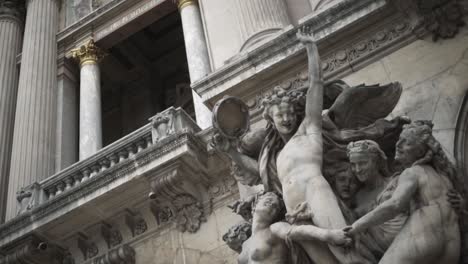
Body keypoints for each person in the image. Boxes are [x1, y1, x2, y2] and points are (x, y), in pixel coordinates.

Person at [272, 26, 373, 264]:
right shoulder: (277, 155)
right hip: (293, 207)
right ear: (271, 120)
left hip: (314, 191)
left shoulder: (309, 129)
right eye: (280, 116)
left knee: (346, 253)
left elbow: (316, 84)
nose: (286, 119)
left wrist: (311, 47)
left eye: (289, 113)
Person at [345, 121, 462, 264]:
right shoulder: (443, 177)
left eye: (405, 142)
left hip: (425, 234)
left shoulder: (411, 173)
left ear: (419, 151)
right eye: (399, 140)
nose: (397, 145)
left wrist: (356, 226)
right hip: (453, 243)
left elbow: (395, 204)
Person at [238, 192, 351, 264]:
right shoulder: (245, 245)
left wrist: (329, 235)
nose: (273, 205)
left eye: (276, 207)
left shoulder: (274, 228)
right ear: (254, 206)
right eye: (268, 201)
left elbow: (298, 231)